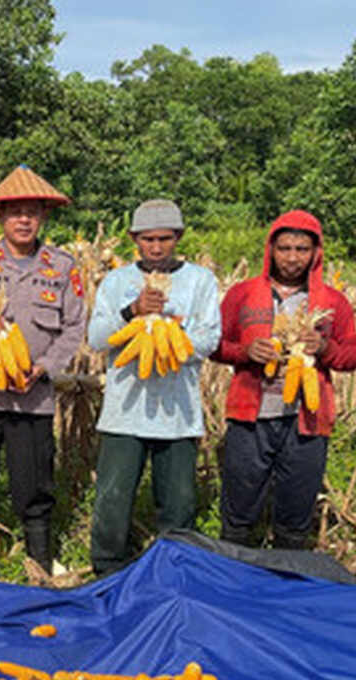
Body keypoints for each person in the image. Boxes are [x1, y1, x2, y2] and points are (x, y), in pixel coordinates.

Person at [0, 165, 85, 574]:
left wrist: (43, 368)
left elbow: (74, 326)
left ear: (43, 217)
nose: (23, 219)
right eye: (14, 212)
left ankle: (38, 560)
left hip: (34, 395)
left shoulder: (62, 267)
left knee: (34, 480)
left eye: (32, 212)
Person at [212, 210, 356, 549]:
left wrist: (324, 347)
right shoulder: (243, 294)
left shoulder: (333, 302)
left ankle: (285, 583)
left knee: (296, 511)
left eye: (302, 249)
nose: (293, 258)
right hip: (251, 416)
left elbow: (352, 356)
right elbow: (216, 346)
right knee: (239, 508)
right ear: (271, 250)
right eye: (285, 248)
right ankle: (235, 578)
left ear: (316, 253)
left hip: (307, 420)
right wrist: (245, 352)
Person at [87, 199, 221, 575]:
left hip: (178, 412)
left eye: (165, 238)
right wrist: (132, 313)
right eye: (148, 239)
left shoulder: (200, 281)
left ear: (178, 237)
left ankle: (175, 569)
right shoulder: (116, 282)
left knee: (178, 501)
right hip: (123, 411)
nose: (157, 247)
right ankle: (108, 569)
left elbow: (209, 339)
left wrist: (167, 331)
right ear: (134, 239)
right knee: (112, 500)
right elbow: (97, 339)